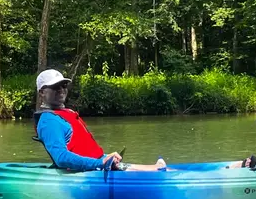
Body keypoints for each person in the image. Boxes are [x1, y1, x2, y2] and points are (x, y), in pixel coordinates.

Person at [34, 69, 167, 172]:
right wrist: (101, 163)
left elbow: (83, 149)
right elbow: (61, 158)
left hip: (96, 165)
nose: (61, 90)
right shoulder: (49, 121)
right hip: (85, 172)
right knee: (158, 172)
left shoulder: (66, 113)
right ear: (41, 93)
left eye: (63, 86)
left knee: (161, 169)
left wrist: (106, 158)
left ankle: (156, 168)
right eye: (55, 87)